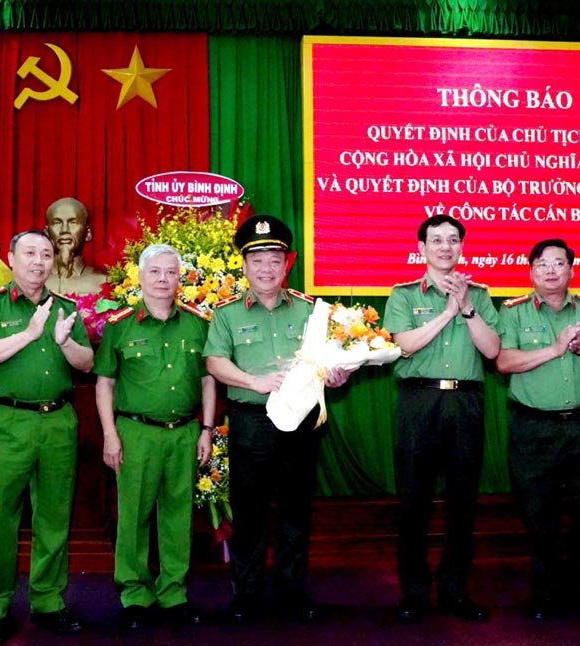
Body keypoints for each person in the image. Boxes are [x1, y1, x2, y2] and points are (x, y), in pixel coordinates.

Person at [203, 214, 351, 623]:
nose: (266, 268)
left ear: (287, 264)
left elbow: (331, 362)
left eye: (274, 259)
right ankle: (246, 594)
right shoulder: (227, 314)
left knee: (295, 510)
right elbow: (215, 361)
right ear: (245, 265)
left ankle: (292, 591)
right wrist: (254, 381)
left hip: (301, 423)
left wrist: (338, 374)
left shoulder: (310, 312)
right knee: (249, 512)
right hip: (252, 422)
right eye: (257, 260)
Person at [0, 229, 95, 643]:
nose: (39, 261)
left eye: (46, 254)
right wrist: (28, 335)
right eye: (30, 253)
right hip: (5, 423)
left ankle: (48, 601)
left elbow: (87, 363)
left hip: (57, 422)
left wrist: (63, 342)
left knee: (54, 518)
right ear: (11, 258)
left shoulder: (66, 309)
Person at [382, 214, 501, 623]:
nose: (445, 247)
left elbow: (491, 351)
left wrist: (467, 308)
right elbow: (404, 345)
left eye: (453, 240)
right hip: (419, 402)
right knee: (413, 501)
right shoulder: (402, 295)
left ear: (462, 247)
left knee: (462, 502)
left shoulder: (480, 295)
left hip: (465, 403)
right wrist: (447, 313)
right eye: (437, 240)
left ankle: (454, 590)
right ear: (422, 249)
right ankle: (414, 592)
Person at [496, 238, 580, 621]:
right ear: (531, 271)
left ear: (571, 269)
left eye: (559, 263)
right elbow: (504, 362)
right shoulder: (513, 312)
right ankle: (546, 594)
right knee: (539, 515)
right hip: (535, 429)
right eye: (542, 264)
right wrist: (554, 349)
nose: (551, 270)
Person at [94, 243, 215, 630]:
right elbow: (104, 383)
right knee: (133, 516)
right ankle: (134, 594)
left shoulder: (198, 323)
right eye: (156, 272)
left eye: (171, 272)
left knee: (178, 516)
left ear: (181, 278)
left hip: (184, 432)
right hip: (136, 432)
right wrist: (110, 434)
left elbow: (209, 379)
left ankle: (174, 592)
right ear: (141, 276)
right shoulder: (120, 325)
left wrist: (207, 429)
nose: (164, 280)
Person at [44, 197, 107, 295]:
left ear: (88, 234)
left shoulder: (104, 281)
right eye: (57, 223)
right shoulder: (31, 281)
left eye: (73, 222)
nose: (64, 230)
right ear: (47, 233)